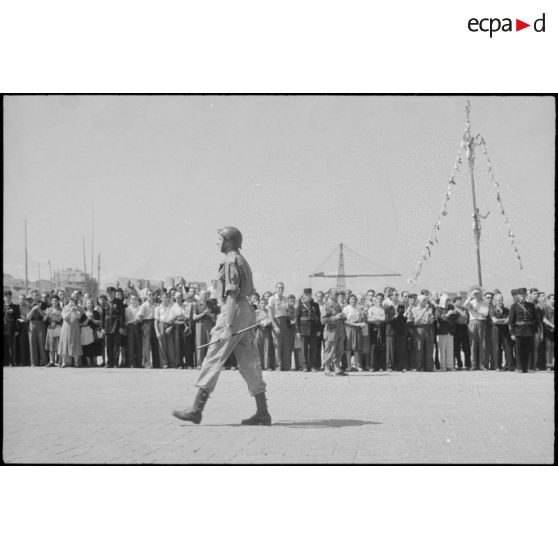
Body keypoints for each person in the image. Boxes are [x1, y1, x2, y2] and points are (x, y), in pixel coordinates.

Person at [173, 226, 271, 426]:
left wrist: (227, 325)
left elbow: (232, 294)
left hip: (233, 310)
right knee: (248, 359)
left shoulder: (230, 261)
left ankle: (196, 410)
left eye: (220, 239)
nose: (218, 242)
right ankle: (263, 412)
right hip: (245, 311)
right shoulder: (240, 259)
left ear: (229, 241)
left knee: (214, 355)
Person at [508, 288, 537, 373]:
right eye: (520, 295)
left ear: (526, 295)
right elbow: (510, 321)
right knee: (519, 350)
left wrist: (533, 330)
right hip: (519, 330)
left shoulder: (531, 305)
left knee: (529, 350)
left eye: (524, 295)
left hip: (529, 330)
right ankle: (519, 367)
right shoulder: (514, 306)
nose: (522, 296)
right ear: (517, 296)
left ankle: (528, 367)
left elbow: (535, 319)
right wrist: (512, 333)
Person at [321, 288, 346, 376]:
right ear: (330, 294)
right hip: (331, 331)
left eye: (338, 294)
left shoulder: (337, 305)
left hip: (339, 330)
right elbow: (323, 320)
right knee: (330, 350)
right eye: (335, 294)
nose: (337, 295)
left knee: (339, 349)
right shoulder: (327, 305)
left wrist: (343, 316)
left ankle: (337, 368)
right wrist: (335, 318)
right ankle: (327, 368)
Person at [295, 288, 321, 372]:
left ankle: (313, 366)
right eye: (306, 295)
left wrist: (319, 330)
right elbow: (297, 319)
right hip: (304, 329)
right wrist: (298, 331)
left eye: (309, 295)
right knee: (304, 349)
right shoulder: (300, 306)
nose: (308, 296)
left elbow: (318, 318)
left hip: (313, 329)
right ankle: (305, 366)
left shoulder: (315, 305)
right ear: (304, 296)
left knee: (313, 348)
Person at [464, 287, 489, 370]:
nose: (477, 295)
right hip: (473, 322)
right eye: (475, 293)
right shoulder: (471, 302)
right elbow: (465, 305)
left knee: (482, 344)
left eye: (478, 293)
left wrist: (475, 310)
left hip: (482, 322)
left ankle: (482, 364)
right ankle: (473, 364)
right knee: (473, 344)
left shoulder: (485, 302)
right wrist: (471, 296)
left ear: (481, 294)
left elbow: (485, 313)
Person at [268, 282, 290, 371]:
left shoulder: (285, 298)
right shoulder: (272, 299)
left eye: (282, 288)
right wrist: (275, 326)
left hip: (285, 321)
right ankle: (278, 365)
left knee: (285, 344)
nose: (281, 289)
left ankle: (285, 365)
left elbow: (288, 311)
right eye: (279, 288)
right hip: (276, 321)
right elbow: (270, 313)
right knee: (277, 344)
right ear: (276, 288)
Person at [101, 287, 126, 368]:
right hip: (107, 325)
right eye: (109, 293)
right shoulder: (104, 303)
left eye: (111, 293)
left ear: (114, 293)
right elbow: (102, 317)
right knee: (108, 346)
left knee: (116, 345)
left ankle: (115, 363)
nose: (110, 294)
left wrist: (121, 326)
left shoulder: (119, 302)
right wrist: (102, 328)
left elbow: (122, 315)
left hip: (116, 324)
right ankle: (109, 362)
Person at [490, 293, 514, 371]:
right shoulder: (492, 309)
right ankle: (497, 366)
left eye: (501, 300)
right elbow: (495, 321)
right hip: (496, 330)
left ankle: (510, 366)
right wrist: (503, 320)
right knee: (496, 347)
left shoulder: (506, 309)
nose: (501, 301)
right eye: (499, 300)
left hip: (505, 330)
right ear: (495, 301)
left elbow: (508, 320)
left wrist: (501, 321)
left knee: (508, 347)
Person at [192, 289, 217, 367]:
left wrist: (209, 314)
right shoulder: (196, 304)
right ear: (199, 295)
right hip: (199, 324)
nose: (204, 296)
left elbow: (214, 317)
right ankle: (199, 363)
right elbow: (194, 317)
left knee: (210, 343)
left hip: (209, 324)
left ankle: (210, 363)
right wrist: (203, 313)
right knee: (200, 343)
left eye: (205, 294)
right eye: (202, 294)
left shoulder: (211, 304)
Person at [411, 295, 435, 371]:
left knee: (429, 348)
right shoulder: (414, 309)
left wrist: (429, 317)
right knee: (419, 347)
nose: (426, 302)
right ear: (419, 301)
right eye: (424, 300)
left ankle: (428, 367)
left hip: (428, 328)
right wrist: (424, 310)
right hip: (419, 329)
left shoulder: (429, 309)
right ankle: (418, 366)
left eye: (426, 300)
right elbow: (415, 322)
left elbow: (430, 321)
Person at [435, 294, 457, 371]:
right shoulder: (438, 309)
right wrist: (448, 314)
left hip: (450, 331)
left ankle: (450, 366)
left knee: (450, 349)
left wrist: (446, 316)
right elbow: (439, 319)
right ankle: (442, 366)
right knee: (442, 349)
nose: (448, 302)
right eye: (446, 300)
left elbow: (454, 317)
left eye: (448, 300)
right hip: (442, 331)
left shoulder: (451, 307)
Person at [58, 297, 83, 367]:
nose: (72, 303)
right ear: (68, 303)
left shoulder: (78, 310)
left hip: (75, 329)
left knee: (75, 344)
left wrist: (74, 310)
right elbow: (64, 317)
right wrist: (70, 311)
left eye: (73, 302)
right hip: (66, 329)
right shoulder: (65, 309)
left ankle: (76, 362)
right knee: (64, 344)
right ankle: (64, 362)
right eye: (70, 302)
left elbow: (79, 317)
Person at [343, 294, 365, 371]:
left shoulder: (358, 309)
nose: (353, 301)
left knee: (357, 348)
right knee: (348, 348)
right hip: (349, 329)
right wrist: (356, 324)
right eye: (351, 299)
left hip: (357, 329)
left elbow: (361, 319)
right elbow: (345, 321)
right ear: (348, 300)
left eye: (354, 299)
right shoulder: (346, 309)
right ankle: (349, 366)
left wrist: (362, 323)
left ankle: (357, 365)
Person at [26, 290, 48, 366]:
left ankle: (44, 361)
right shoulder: (29, 304)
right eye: (35, 295)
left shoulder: (44, 304)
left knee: (42, 342)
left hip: (41, 323)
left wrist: (39, 309)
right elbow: (27, 317)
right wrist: (33, 309)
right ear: (32, 296)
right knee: (32, 342)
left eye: (38, 295)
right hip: (32, 324)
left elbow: (44, 317)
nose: (36, 297)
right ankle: (34, 362)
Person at [155, 292, 174, 369]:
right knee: (162, 346)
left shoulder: (172, 307)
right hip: (161, 325)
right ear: (161, 298)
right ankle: (164, 363)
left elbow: (175, 318)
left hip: (170, 325)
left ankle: (172, 363)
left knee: (171, 345)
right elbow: (156, 321)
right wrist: (157, 331)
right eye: (163, 297)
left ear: (169, 298)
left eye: (166, 297)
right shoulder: (158, 308)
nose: (165, 299)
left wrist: (172, 327)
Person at [43, 294, 63, 366]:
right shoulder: (48, 309)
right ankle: (51, 361)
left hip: (58, 327)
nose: (54, 302)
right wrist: (47, 313)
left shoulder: (61, 309)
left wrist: (55, 317)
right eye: (53, 301)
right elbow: (44, 319)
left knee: (58, 345)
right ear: (51, 301)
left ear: (58, 302)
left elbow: (61, 319)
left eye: (56, 301)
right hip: (50, 328)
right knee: (51, 345)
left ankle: (59, 361)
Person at [367, 293, 386, 371]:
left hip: (382, 328)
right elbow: (369, 319)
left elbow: (384, 319)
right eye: (378, 298)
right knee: (373, 347)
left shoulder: (384, 309)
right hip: (373, 328)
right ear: (375, 299)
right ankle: (372, 366)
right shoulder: (371, 309)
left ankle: (381, 366)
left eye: (381, 299)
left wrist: (375, 317)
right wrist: (379, 318)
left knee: (381, 346)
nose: (379, 300)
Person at [255, 298, 274, 370]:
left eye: (264, 303)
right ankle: (260, 365)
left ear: (266, 304)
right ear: (259, 304)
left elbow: (270, 320)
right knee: (258, 347)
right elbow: (254, 321)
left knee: (267, 348)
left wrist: (267, 323)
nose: (263, 304)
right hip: (259, 330)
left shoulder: (268, 312)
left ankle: (267, 365)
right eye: (261, 303)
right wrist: (259, 322)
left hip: (266, 330)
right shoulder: (256, 312)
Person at [453, 295, 471, 370]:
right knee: (456, 348)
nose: (459, 302)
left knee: (466, 347)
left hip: (464, 328)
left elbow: (468, 317)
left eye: (460, 301)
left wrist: (466, 322)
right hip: (456, 328)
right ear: (454, 302)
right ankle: (459, 364)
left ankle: (467, 364)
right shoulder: (453, 309)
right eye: (457, 301)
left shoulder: (465, 309)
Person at [124, 294, 142, 368]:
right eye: (132, 299)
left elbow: (141, 318)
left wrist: (138, 320)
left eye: (135, 299)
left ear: (138, 300)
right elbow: (126, 320)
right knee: (131, 345)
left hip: (138, 326)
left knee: (138, 345)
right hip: (130, 327)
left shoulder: (140, 308)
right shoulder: (127, 309)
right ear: (130, 300)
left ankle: (139, 362)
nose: (134, 301)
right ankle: (132, 363)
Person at [3, 290, 20, 366]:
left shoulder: (15, 307)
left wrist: (17, 329)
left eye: (9, 297)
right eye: (6, 297)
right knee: (4, 345)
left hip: (11, 329)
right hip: (4, 328)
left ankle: (11, 362)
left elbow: (18, 319)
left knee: (11, 346)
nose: (8, 298)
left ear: (11, 297)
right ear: (4, 298)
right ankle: (5, 361)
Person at [16, 293, 31, 366]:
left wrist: (23, 319)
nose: (21, 300)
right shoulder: (16, 307)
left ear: (25, 300)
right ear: (18, 299)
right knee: (16, 345)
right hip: (15, 327)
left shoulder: (27, 307)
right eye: (20, 299)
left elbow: (27, 318)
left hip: (23, 327)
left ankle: (24, 362)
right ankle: (16, 361)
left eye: (23, 299)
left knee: (23, 344)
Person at [542, 293, 554, 371]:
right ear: (548, 299)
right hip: (548, 330)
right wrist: (553, 326)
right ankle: (548, 365)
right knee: (548, 348)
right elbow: (544, 319)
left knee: (553, 348)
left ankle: (552, 364)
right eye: (552, 298)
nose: (554, 300)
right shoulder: (545, 308)